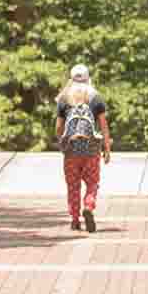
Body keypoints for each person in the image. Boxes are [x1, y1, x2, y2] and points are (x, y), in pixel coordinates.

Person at [56, 64, 110, 233]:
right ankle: (88, 205)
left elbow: (58, 127)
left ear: (71, 79)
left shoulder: (64, 98)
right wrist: (106, 147)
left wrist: (62, 142)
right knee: (92, 182)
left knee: (73, 185)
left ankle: (74, 219)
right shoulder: (95, 97)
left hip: (71, 149)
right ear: (88, 78)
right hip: (91, 149)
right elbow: (103, 125)